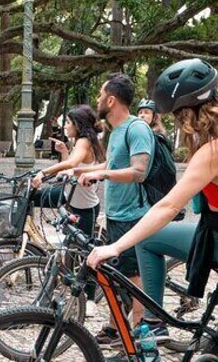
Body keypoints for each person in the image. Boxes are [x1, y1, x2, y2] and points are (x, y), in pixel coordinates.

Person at [88, 59, 218, 362]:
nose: (179, 124)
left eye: (178, 116)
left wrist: (114, 246)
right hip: (214, 233)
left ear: (189, 112)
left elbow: (168, 205)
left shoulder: (217, 150)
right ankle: (154, 324)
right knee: (149, 238)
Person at [75, 73, 154, 340]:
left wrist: (103, 175)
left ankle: (139, 334)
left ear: (111, 99)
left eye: (100, 95)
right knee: (115, 272)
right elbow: (110, 165)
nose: (97, 99)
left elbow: (138, 171)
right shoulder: (116, 131)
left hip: (135, 215)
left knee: (133, 276)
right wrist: (77, 171)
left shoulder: (137, 128)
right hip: (116, 214)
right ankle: (114, 326)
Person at [31, 105, 104, 238]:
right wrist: (64, 151)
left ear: (78, 125)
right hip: (69, 198)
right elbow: (69, 169)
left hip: (85, 208)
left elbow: (71, 164)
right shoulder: (79, 142)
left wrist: (43, 173)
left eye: (68, 122)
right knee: (32, 196)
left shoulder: (84, 141)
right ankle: (28, 234)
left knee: (80, 253)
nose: (65, 126)